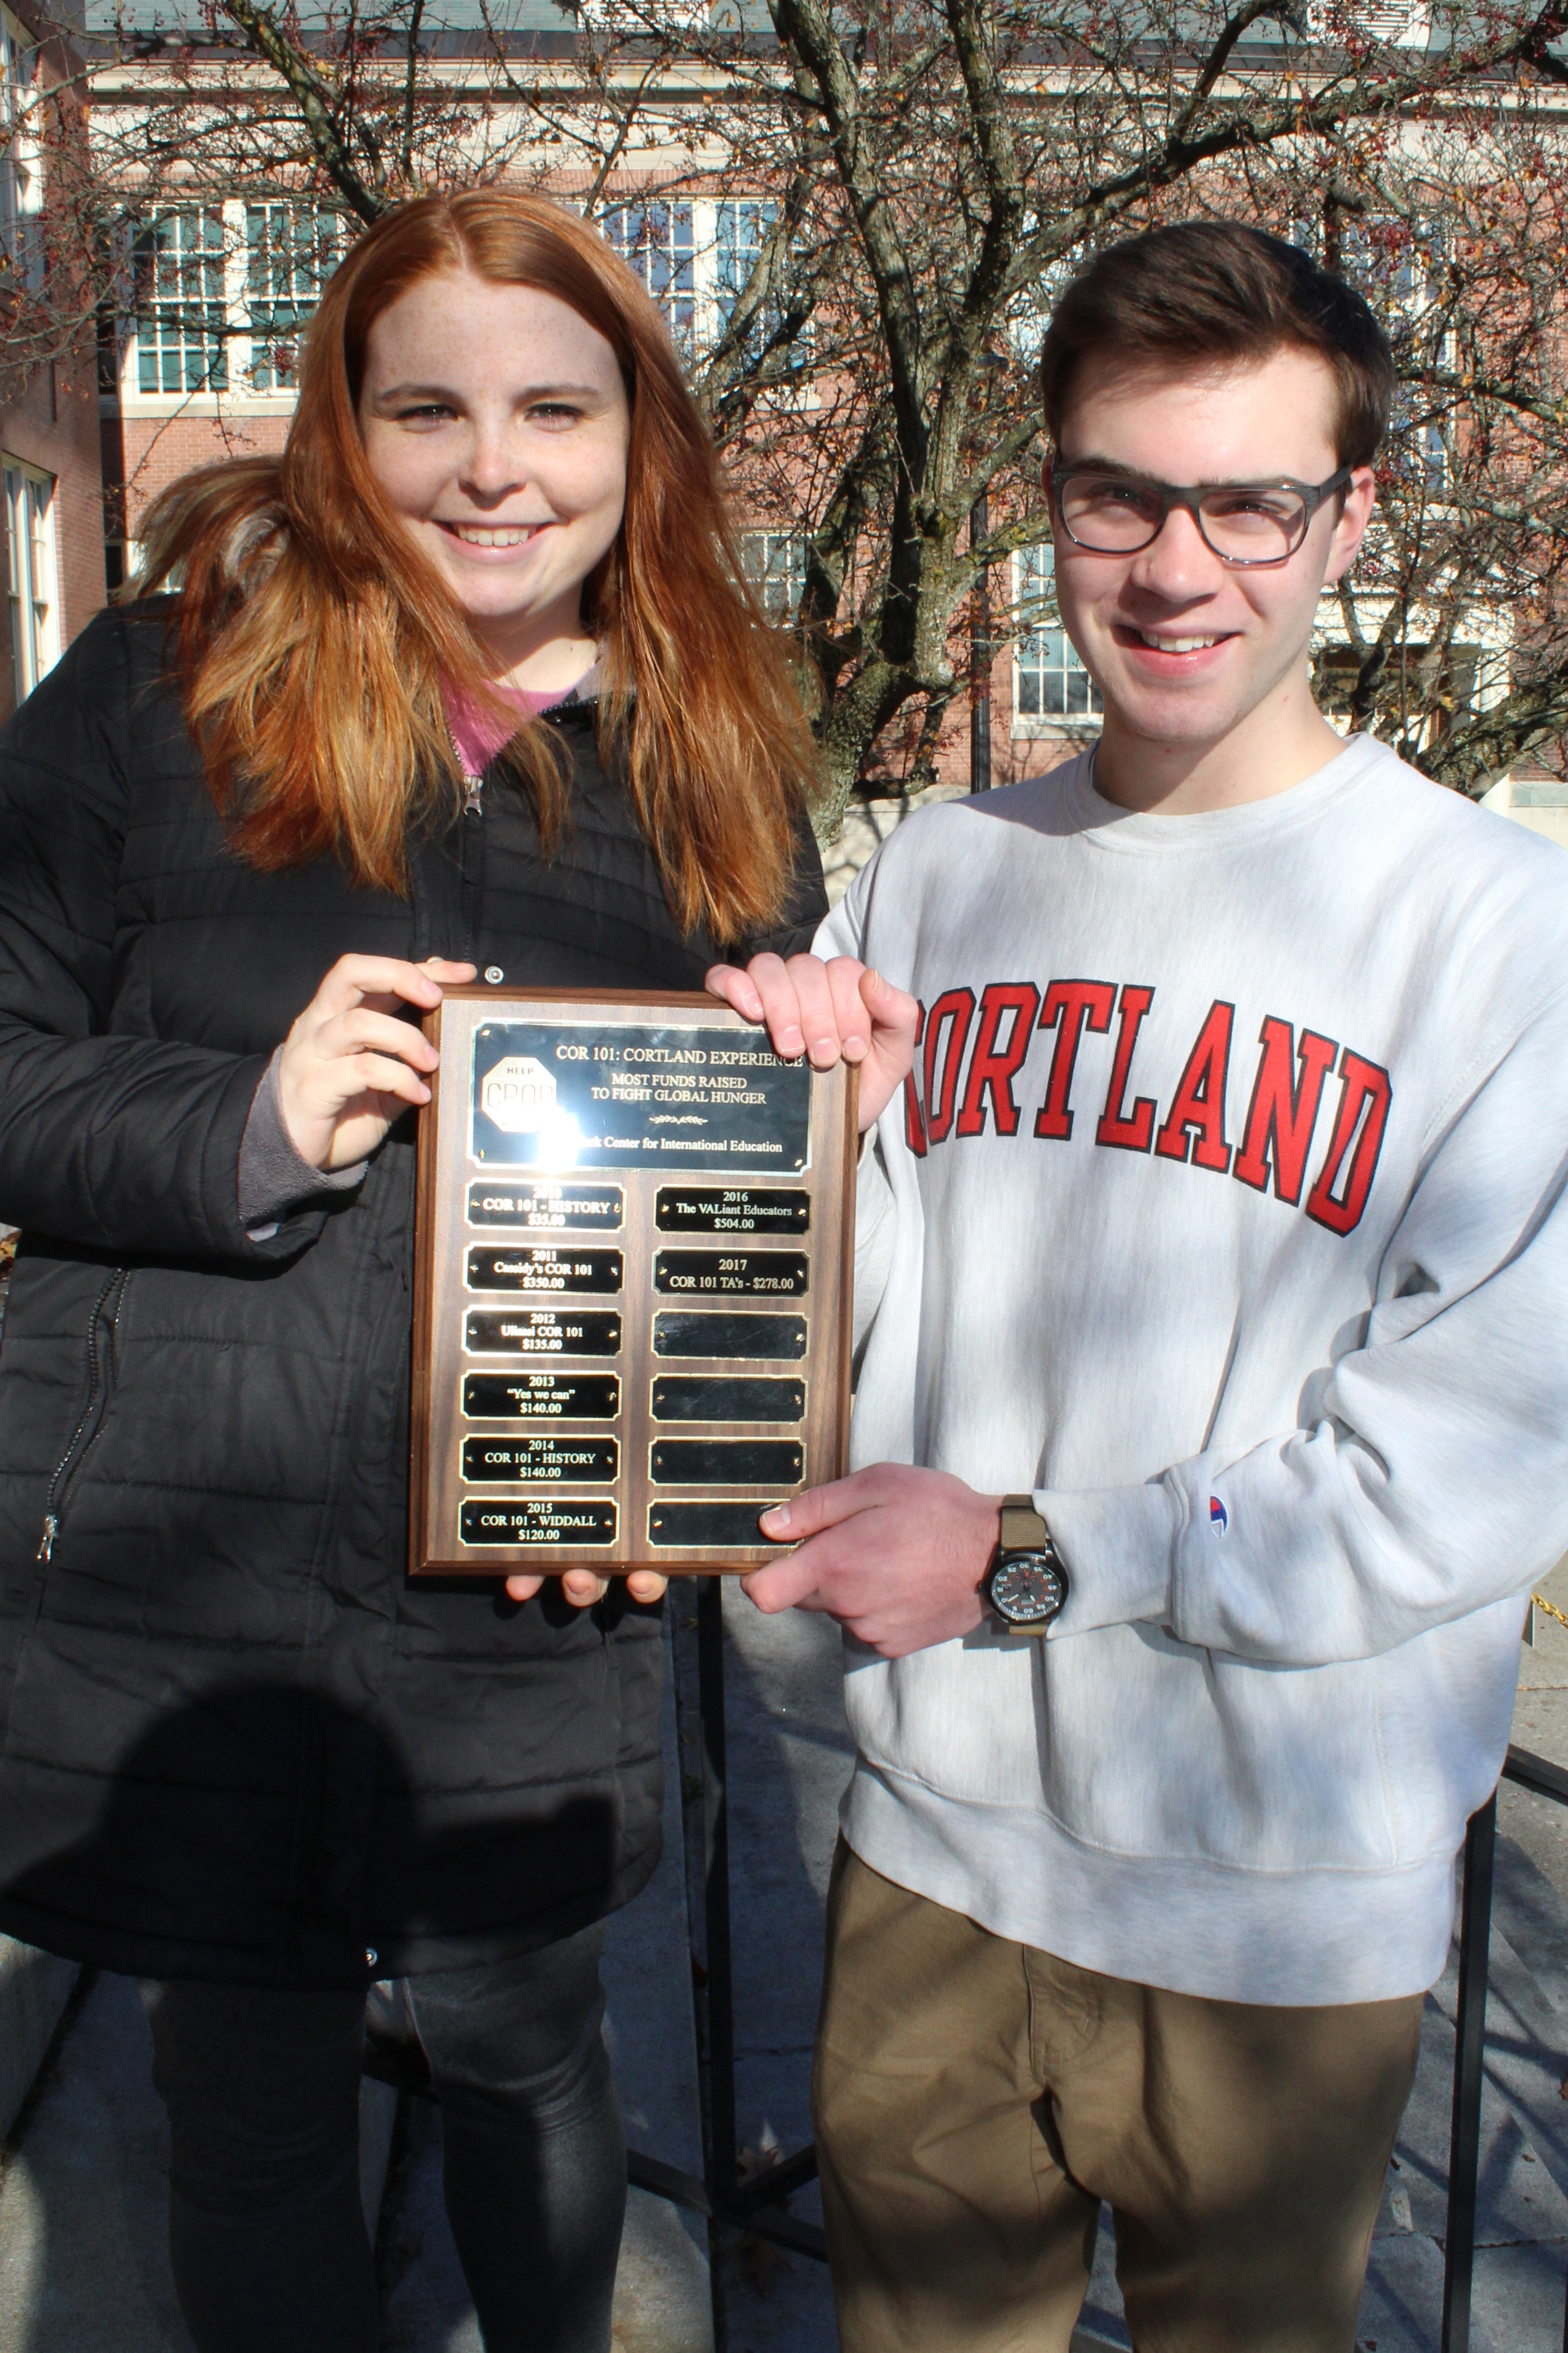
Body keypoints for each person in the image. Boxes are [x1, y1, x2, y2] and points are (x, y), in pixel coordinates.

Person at [707, 221, 1568, 2350]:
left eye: (1254, 501)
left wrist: (1025, 1559)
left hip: (1277, 1899)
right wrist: (816, 1138)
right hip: (932, 1848)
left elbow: (1458, 1474)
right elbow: (884, 1328)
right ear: (1051, 495)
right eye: (1121, 494)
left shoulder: (1494, 932)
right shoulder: (939, 866)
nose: (1180, 569)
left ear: (1354, 511)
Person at [0, 189, 824, 2353]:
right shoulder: (153, 697)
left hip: (523, 1575)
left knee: (528, 2045)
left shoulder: (712, 770)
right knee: (240, 2083)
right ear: (339, 429)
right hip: (185, 1558)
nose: (494, 466)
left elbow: (739, 1220)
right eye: (425, 407)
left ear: (636, 439)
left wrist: (675, 1447)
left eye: (555, 408)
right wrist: (247, 1127)